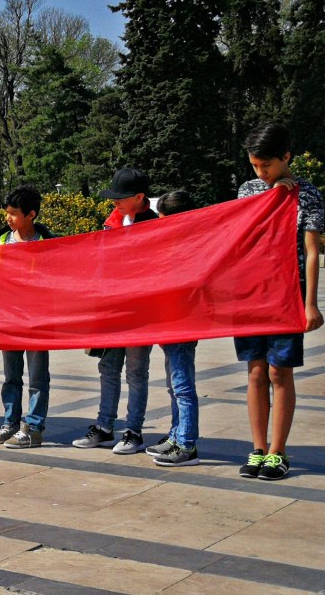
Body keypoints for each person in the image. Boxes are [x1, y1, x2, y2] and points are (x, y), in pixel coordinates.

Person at [233, 122, 325, 481]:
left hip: (288, 292)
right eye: (255, 165)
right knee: (256, 371)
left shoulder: (308, 194)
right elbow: (242, 234)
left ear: (286, 157)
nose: (261, 172)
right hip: (251, 292)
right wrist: (270, 198)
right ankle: (257, 448)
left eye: (267, 165)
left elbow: (312, 252)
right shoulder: (249, 190)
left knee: (279, 371)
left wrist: (310, 303)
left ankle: (277, 451)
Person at [73, 168, 158, 454]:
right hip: (111, 308)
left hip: (140, 312)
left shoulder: (155, 225)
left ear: (139, 197)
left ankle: (133, 431)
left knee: (136, 371)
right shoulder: (111, 222)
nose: (114, 202)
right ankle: (104, 427)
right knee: (108, 368)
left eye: (120, 197)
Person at [0, 186, 55, 449]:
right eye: (7, 212)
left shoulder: (49, 243)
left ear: (31, 214)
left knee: (38, 378)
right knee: (11, 377)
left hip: (37, 321)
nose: (8, 218)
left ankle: (33, 428)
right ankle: (10, 423)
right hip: (8, 319)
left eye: (14, 213)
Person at [144, 190, 202, 467]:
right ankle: (176, 435)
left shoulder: (190, 248)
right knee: (174, 386)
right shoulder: (175, 245)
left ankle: (187, 445)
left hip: (182, 325)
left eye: (164, 219)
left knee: (182, 387)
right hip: (168, 323)